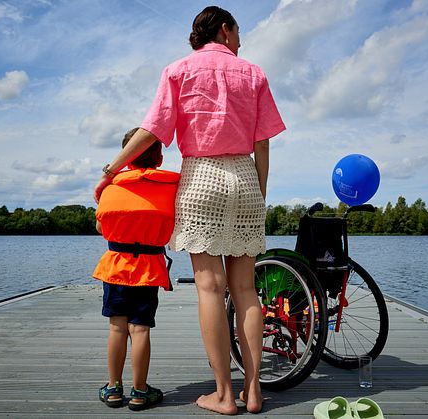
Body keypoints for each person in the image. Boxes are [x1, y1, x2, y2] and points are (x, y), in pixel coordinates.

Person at [94, 6, 285, 415]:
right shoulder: (254, 73)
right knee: (246, 290)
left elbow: (153, 130)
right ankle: (254, 392)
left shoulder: (178, 70)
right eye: (238, 32)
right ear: (224, 29)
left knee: (210, 288)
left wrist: (111, 170)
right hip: (245, 177)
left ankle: (224, 394)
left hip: (201, 177)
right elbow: (264, 143)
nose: (241, 41)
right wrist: (259, 192)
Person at [93, 127, 180, 411]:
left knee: (117, 327)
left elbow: (100, 226)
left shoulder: (112, 186)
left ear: (127, 158)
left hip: (116, 265)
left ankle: (114, 388)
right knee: (140, 328)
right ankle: (140, 391)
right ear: (159, 159)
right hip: (148, 267)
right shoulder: (169, 187)